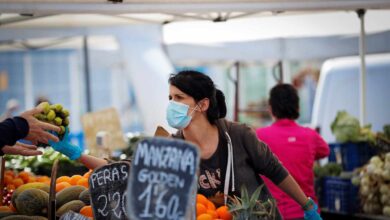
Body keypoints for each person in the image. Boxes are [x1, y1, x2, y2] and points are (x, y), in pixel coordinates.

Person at [50, 70, 322, 219]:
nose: (171, 105)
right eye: (170, 97)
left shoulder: (239, 136)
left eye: (179, 98)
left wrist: (307, 206)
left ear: (202, 104)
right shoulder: (172, 148)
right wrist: (75, 153)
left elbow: (276, 170)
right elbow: (126, 170)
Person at [256, 83, 329, 219]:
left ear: (271, 109)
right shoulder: (310, 135)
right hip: (307, 212)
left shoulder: (260, 136)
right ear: (298, 107)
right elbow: (324, 151)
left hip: (272, 214)